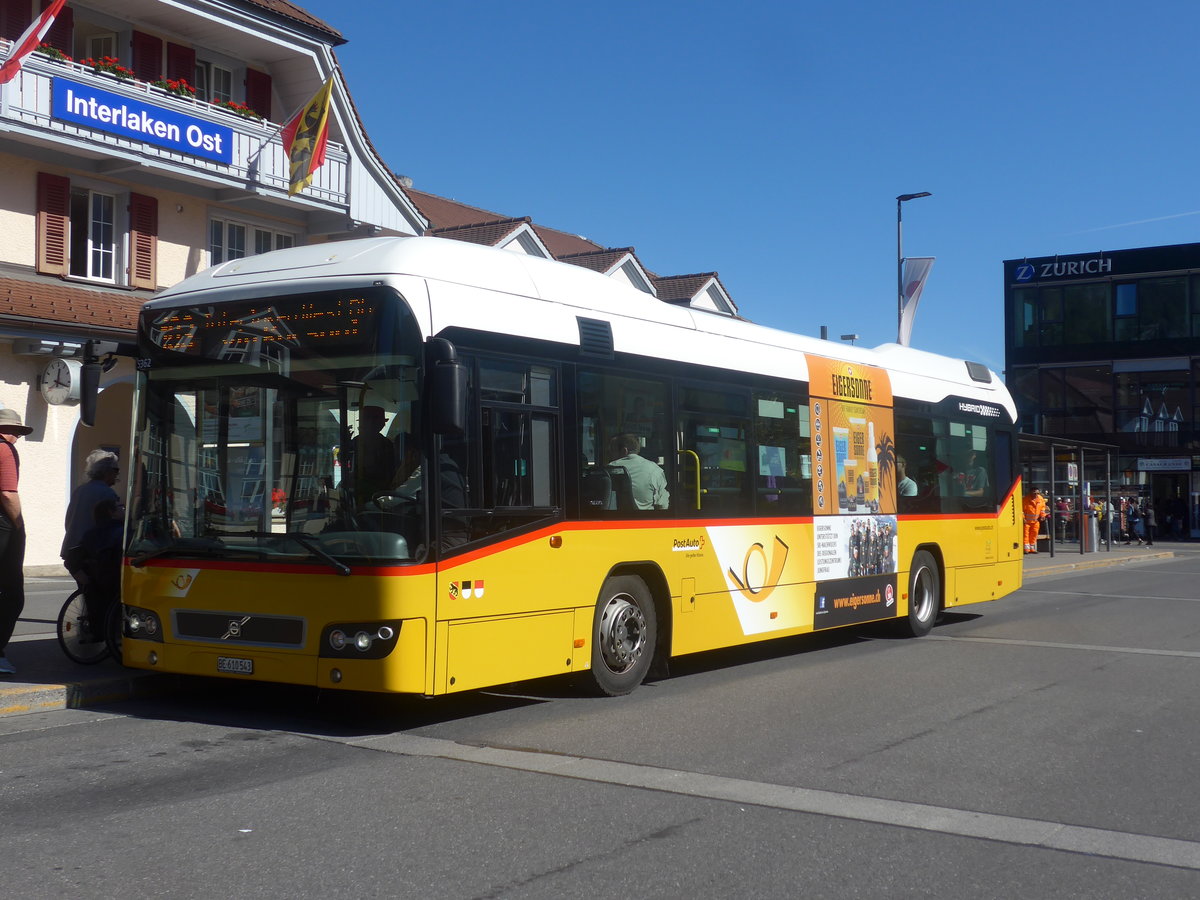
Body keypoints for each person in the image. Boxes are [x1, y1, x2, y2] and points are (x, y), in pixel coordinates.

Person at [0, 408, 32, 676]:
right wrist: (19, 526)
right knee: (11, 594)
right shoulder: (5, 451)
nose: (16, 437)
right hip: (2, 527)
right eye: (15, 431)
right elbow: (8, 493)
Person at [61, 449, 120, 582]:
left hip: (72, 551)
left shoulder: (80, 490)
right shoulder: (107, 493)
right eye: (116, 470)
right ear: (107, 471)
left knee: (88, 593)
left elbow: (68, 520)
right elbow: (110, 525)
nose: (118, 474)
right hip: (91, 552)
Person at [608, 433, 670, 510]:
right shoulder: (654, 469)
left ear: (624, 451)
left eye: (612, 451)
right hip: (646, 520)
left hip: (614, 519)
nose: (610, 455)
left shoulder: (609, 469)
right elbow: (662, 505)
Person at [351, 405, 397, 505]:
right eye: (381, 422)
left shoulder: (386, 444)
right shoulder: (356, 442)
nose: (382, 425)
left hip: (377, 492)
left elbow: (389, 471)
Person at [1022, 487, 1047, 554]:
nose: (1036, 494)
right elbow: (1022, 511)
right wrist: (1023, 518)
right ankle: (1026, 549)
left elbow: (1042, 508)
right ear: (1030, 493)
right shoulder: (1025, 500)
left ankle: (1032, 548)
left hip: (1035, 521)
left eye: (1037, 493)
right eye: (1034, 493)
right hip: (1027, 521)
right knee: (1026, 535)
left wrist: (1042, 515)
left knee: (1034, 535)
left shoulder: (1040, 499)